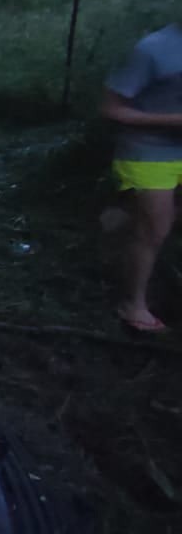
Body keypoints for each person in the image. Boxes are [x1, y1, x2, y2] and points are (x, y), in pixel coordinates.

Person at [100, 21, 182, 333]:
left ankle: (124, 217)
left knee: (160, 221)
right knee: (155, 230)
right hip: (148, 151)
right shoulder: (153, 49)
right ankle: (132, 304)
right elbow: (111, 108)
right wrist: (173, 121)